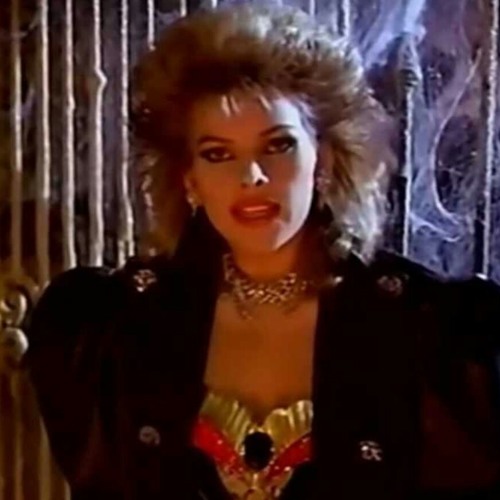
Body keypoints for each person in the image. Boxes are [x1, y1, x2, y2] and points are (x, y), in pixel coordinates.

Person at [24, 4, 500, 499]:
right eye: (218, 154)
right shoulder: (114, 332)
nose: (251, 177)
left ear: (323, 160)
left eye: (277, 146)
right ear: (189, 180)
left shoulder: (431, 334)